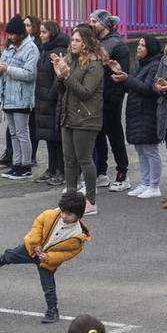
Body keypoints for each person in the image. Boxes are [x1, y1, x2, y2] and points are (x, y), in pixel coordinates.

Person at [0, 190, 89, 325]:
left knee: (48, 286)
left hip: (46, 260)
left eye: (68, 214)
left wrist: (49, 257)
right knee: (8, 256)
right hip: (31, 249)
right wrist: (35, 244)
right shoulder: (50, 215)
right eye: (63, 212)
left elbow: (68, 253)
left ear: (79, 215)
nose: (63, 216)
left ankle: (52, 310)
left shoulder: (78, 236)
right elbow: (37, 226)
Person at [55, 24, 108, 211]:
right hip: (69, 116)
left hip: (86, 118)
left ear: (87, 43)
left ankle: (91, 201)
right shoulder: (73, 61)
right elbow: (62, 90)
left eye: (78, 40)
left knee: (84, 159)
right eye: (72, 40)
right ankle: (71, 200)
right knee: (69, 159)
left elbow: (85, 92)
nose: (73, 43)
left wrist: (67, 75)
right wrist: (60, 75)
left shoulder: (94, 65)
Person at [90, 10, 134, 191]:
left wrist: (115, 97)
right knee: (97, 135)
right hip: (95, 96)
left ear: (104, 24)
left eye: (94, 21)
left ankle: (122, 173)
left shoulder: (117, 45)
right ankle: (101, 172)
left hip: (111, 98)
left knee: (114, 135)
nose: (91, 24)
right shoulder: (95, 42)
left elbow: (123, 73)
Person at [0, 18, 40, 181]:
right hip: (8, 96)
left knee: (22, 133)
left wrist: (8, 68)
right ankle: (16, 164)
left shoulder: (31, 49)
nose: (11, 37)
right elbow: (4, 67)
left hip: (22, 97)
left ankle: (26, 166)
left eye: (13, 34)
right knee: (13, 133)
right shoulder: (9, 47)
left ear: (20, 34)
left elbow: (30, 75)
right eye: (9, 34)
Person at [123, 36, 165, 198]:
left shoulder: (155, 65)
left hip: (148, 112)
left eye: (142, 45)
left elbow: (147, 88)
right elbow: (132, 85)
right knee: (140, 149)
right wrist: (122, 76)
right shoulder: (137, 64)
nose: (139, 48)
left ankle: (154, 185)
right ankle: (144, 182)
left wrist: (127, 79)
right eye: (139, 45)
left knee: (150, 149)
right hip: (135, 111)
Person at [33, 20, 68, 186]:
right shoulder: (44, 50)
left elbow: (58, 77)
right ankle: (51, 168)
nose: (41, 35)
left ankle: (62, 170)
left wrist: (50, 95)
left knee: (58, 138)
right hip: (43, 100)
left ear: (52, 33)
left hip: (53, 100)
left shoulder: (59, 50)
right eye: (40, 32)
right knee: (48, 137)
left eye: (44, 32)